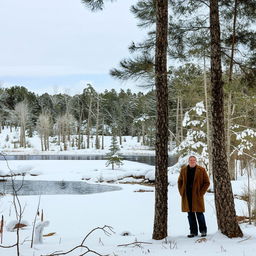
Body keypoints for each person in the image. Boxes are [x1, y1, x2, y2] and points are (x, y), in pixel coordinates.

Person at [178, 155, 210, 238]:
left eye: (194, 160)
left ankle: (203, 231)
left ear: (196, 161)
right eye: (190, 160)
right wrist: (182, 192)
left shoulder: (201, 170)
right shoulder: (183, 170)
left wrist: (201, 193)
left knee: (199, 214)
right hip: (187, 196)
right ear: (188, 161)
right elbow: (180, 182)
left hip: (197, 196)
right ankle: (193, 232)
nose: (192, 161)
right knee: (190, 215)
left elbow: (207, 182)